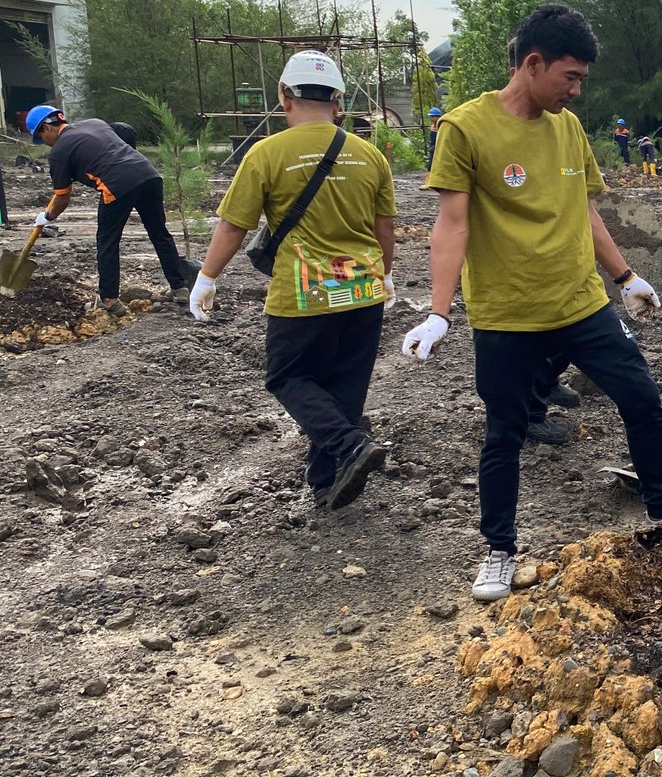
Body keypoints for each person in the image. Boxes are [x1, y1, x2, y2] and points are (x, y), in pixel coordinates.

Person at [399, 4, 662, 602]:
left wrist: (625, 276)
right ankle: (499, 551)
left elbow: (584, 211)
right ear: (532, 64)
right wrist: (438, 310)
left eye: (582, 78)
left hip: (581, 304)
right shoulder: (463, 128)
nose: (577, 90)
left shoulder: (568, 128)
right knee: (505, 430)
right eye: (570, 77)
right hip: (507, 314)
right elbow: (451, 224)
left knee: (640, 396)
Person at [187, 50, 396, 509]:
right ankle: (325, 478)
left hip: (306, 293)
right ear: (337, 101)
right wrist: (386, 273)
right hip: (363, 289)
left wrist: (206, 276)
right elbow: (385, 230)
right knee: (345, 382)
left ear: (285, 96)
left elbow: (233, 226)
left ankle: (350, 446)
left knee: (288, 376)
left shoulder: (266, 154)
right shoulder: (369, 155)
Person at [25, 104, 200, 314]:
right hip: (148, 175)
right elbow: (122, 134)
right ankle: (179, 287)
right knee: (159, 232)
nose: (45, 143)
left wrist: (47, 216)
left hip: (117, 186)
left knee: (107, 241)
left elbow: (62, 198)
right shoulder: (94, 123)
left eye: (42, 138)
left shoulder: (59, 151)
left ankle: (108, 299)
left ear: (47, 127)